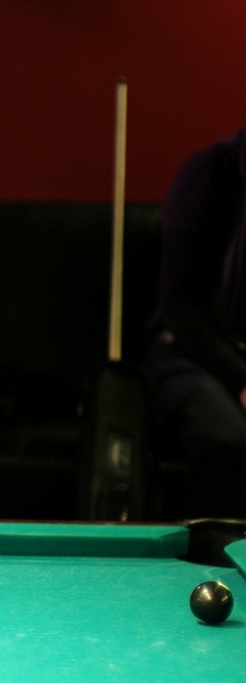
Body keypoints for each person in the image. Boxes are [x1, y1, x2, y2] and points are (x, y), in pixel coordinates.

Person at [141, 130, 246, 518]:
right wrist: (242, 380)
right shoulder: (209, 175)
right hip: (189, 352)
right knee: (227, 443)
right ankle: (213, 553)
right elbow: (179, 305)